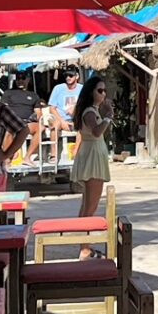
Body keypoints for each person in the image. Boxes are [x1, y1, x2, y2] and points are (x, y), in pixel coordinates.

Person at [69, 73, 113, 223]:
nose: (103, 94)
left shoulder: (91, 110)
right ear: (91, 92)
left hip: (93, 154)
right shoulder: (89, 112)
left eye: (104, 91)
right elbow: (96, 132)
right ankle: (84, 245)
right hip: (92, 158)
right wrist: (108, 116)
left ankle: (84, 243)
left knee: (87, 205)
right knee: (91, 205)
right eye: (99, 91)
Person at [47, 66, 81, 130]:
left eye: (71, 75)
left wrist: (75, 107)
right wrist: (62, 121)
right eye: (66, 75)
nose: (68, 77)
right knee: (55, 126)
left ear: (77, 76)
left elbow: (86, 105)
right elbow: (52, 108)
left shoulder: (82, 89)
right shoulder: (58, 88)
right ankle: (54, 140)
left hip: (77, 121)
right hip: (59, 119)